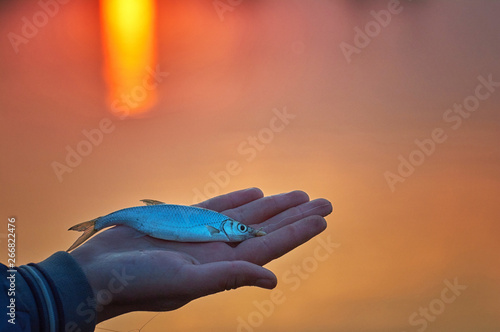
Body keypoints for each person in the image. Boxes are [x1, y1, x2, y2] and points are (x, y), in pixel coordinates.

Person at [1, 188, 332, 331]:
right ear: (228, 226)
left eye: (244, 229)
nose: (244, 230)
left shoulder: (218, 224)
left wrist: (52, 289)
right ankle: (96, 223)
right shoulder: (217, 224)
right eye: (241, 228)